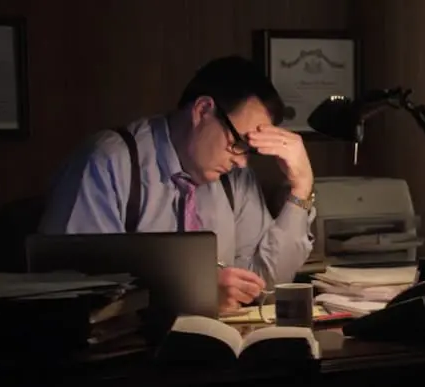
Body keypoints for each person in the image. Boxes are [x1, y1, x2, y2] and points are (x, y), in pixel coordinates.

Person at [39, 55, 316, 312]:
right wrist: (194, 295)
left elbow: (262, 284)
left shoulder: (236, 179)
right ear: (203, 110)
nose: (242, 162)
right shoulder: (109, 162)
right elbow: (74, 289)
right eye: (238, 144)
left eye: (250, 151)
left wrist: (301, 188)